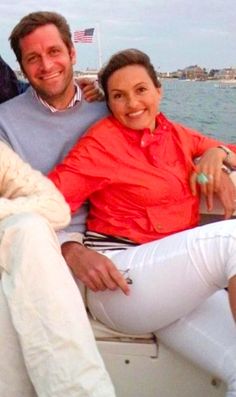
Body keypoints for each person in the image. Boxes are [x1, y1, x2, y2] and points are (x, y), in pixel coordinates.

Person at [49, 49, 236, 396]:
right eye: (118, 96)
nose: (132, 103)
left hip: (172, 284)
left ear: (159, 90)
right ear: (110, 103)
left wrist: (218, 153)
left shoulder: (175, 134)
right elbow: (44, 202)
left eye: (141, 90)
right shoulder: (101, 143)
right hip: (119, 281)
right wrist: (70, 248)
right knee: (231, 241)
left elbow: (229, 149)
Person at [0, 11, 117, 397]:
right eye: (33, 58)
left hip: (106, 241)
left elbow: (168, 143)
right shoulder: (5, 122)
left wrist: (217, 153)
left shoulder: (110, 110)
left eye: (54, 52)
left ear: (72, 52)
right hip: (36, 241)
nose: (46, 65)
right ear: (21, 67)